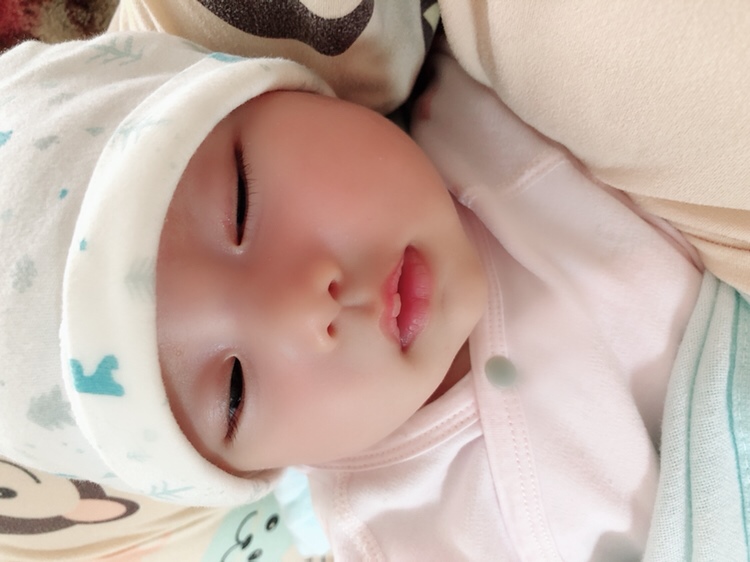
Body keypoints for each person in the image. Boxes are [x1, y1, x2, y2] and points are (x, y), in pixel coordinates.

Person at [0, 8, 748, 562]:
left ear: (272, 90)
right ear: (249, 469)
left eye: (242, 202)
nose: (304, 307)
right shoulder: (402, 538)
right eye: (233, 390)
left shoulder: (505, 90)